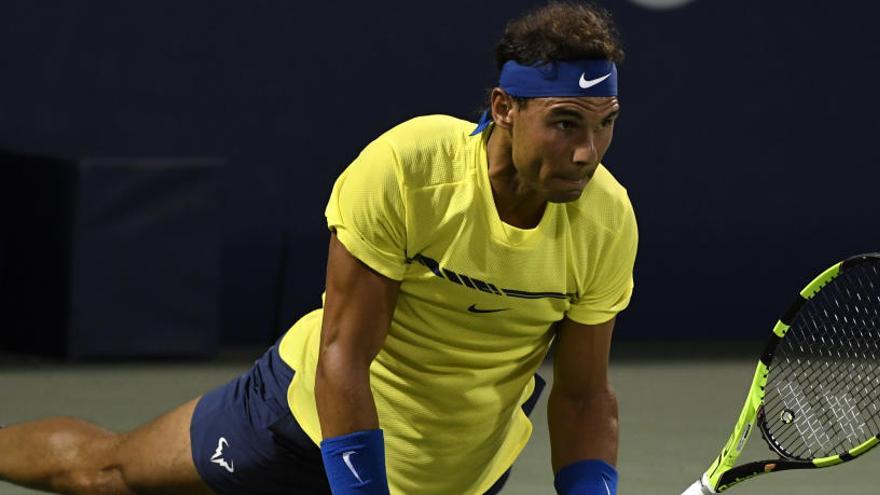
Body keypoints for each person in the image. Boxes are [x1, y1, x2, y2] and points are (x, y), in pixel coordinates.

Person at [0, 1, 637, 494]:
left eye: (604, 124)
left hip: (457, 468)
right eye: (564, 123)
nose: (587, 153)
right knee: (104, 475)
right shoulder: (408, 170)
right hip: (306, 421)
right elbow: (342, 355)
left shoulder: (606, 221)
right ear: (503, 108)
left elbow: (582, 396)